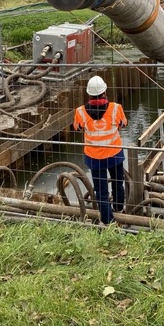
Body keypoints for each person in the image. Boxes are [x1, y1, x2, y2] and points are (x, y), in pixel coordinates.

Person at [73, 75, 127, 225]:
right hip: (114, 154)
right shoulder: (116, 108)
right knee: (117, 182)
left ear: (89, 94)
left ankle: (108, 221)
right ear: (105, 92)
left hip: (94, 157)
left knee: (101, 191)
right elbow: (123, 124)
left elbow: (77, 128)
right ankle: (119, 209)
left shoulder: (80, 112)